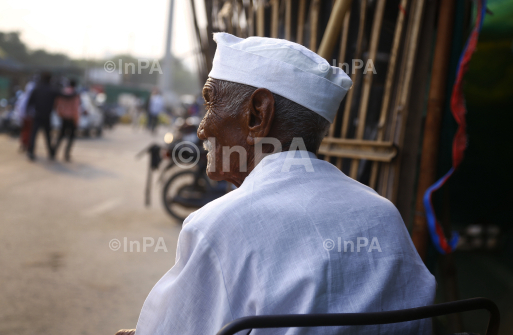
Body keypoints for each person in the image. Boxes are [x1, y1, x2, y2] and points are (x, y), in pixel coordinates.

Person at [120, 34, 435, 335]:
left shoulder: (218, 227)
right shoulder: (384, 214)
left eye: (210, 104)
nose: (202, 129)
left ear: (258, 115)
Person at [27, 71, 58, 161]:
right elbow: (63, 96)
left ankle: (31, 152)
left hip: (37, 115)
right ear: (50, 79)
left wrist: (27, 113)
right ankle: (51, 153)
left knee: (33, 135)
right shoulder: (52, 90)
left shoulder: (37, 89)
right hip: (47, 116)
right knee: (48, 136)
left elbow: (29, 102)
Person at [53, 79, 80, 162]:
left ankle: (54, 152)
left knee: (61, 136)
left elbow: (57, 104)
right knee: (71, 137)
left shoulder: (63, 92)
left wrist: (60, 114)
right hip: (71, 119)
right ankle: (66, 154)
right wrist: (76, 120)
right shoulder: (75, 94)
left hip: (64, 118)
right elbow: (76, 108)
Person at [15, 81, 36, 151]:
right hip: (28, 117)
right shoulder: (27, 97)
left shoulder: (23, 96)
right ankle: (26, 144)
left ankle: (25, 144)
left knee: (25, 131)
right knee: (28, 131)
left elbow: (18, 107)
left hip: (25, 117)